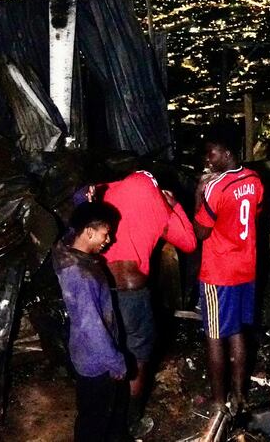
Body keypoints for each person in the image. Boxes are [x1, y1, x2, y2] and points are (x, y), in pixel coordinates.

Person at [79, 170, 196, 435]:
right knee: (138, 355)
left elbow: (89, 188)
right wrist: (174, 205)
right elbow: (189, 243)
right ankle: (131, 419)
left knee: (106, 350)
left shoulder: (108, 191)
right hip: (132, 294)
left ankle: (101, 414)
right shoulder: (160, 205)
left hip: (99, 290)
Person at [193, 126, 264, 414]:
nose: (208, 159)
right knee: (237, 333)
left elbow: (199, 232)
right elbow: (254, 215)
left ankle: (219, 402)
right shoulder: (255, 180)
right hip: (246, 269)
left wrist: (198, 192)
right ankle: (239, 397)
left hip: (218, 274)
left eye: (211, 153)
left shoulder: (215, 187)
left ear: (227, 153)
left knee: (215, 336)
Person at [53, 201, 129, 442]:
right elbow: (92, 326)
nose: (109, 240)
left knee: (93, 413)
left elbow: (70, 227)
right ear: (88, 232)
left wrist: (83, 201)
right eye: (105, 234)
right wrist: (115, 362)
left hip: (83, 353)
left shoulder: (64, 248)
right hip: (96, 360)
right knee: (95, 420)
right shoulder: (81, 275)